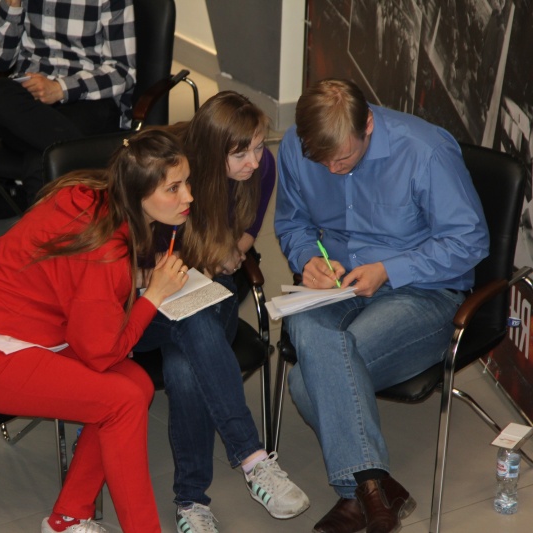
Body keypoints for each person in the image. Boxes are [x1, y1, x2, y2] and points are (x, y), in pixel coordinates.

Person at [0, 129, 192, 533]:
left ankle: (68, 518)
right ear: (137, 192)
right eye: (173, 188)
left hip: (14, 332)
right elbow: (103, 353)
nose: (188, 196)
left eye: (186, 182)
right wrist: (152, 296)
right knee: (121, 401)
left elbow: (77, 285)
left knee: (137, 385)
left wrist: (140, 281)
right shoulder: (105, 250)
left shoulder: (93, 193)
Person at [274, 78, 489, 533]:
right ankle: (374, 490)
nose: (333, 170)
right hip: (337, 285)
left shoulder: (425, 151)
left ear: (368, 125)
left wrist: (390, 269)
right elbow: (293, 224)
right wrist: (308, 259)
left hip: (424, 290)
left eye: (344, 158)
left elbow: (469, 241)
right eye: (322, 161)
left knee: (308, 381)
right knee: (308, 329)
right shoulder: (294, 145)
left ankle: (359, 493)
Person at [135, 91, 309, 533]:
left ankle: (192, 502)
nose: (255, 161)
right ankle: (252, 459)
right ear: (212, 153)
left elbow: (246, 237)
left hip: (211, 287)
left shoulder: (262, 168)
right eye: (241, 153)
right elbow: (135, 265)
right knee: (188, 343)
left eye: (259, 147)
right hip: (150, 305)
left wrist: (227, 252)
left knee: (185, 362)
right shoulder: (173, 174)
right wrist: (177, 268)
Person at [0, 0, 135, 208]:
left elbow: (123, 71)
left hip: (88, 98)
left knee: (40, 160)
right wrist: (12, 5)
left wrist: (60, 88)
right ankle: (88, 157)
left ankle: (43, 229)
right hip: (27, 102)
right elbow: (0, 60)